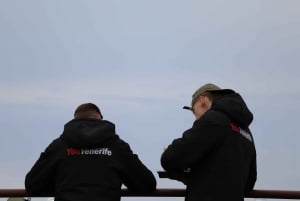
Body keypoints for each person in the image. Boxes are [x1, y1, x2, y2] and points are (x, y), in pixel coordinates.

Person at [25, 103, 156, 201]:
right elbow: (147, 184)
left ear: (75, 120)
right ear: (101, 119)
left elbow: (33, 184)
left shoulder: (59, 146)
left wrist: (62, 186)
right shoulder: (117, 147)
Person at [160, 83, 257, 201]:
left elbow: (171, 159)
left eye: (194, 111)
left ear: (202, 100)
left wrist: (169, 153)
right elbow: (249, 183)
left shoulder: (213, 120)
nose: (196, 118)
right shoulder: (246, 132)